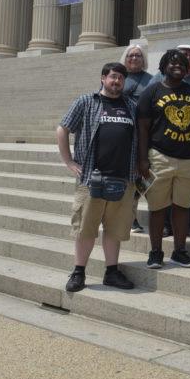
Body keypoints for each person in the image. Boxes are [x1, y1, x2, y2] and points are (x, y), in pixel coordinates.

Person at [55, 62, 137, 292]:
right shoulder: (86, 102)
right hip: (92, 178)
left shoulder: (131, 105)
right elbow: (63, 128)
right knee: (85, 229)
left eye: (121, 78)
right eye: (112, 77)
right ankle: (79, 271)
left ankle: (112, 272)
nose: (117, 81)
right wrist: (69, 161)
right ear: (103, 78)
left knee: (115, 230)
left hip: (122, 178)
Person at [137, 49, 190, 269]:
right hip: (160, 156)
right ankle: (156, 252)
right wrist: (142, 159)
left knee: (182, 207)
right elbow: (143, 129)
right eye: (172, 62)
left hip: (189, 159)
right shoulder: (151, 92)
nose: (178, 65)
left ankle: (180, 251)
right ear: (163, 66)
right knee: (157, 208)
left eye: (182, 63)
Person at [120, 45, 152, 233]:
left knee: (143, 178)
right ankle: (129, 218)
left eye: (138, 55)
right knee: (126, 178)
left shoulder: (151, 79)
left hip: (145, 135)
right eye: (130, 55)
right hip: (123, 135)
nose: (134, 58)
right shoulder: (117, 76)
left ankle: (131, 214)